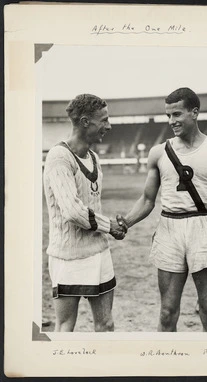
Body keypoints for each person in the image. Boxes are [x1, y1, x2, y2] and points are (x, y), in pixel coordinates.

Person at [117, 88, 207, 332]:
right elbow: (148, 199)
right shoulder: (158, 152)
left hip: (204, 228)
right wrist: (127, 222)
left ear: (194, 113)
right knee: (167, 312)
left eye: (177, 114)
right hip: (169, 229)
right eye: (168, 115)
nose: (171, 121)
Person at [43, 94, 127, 332]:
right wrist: (110, 226)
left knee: (106, 324)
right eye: (104, 120)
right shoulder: (59, 157)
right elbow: (72, 211)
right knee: (66, 327)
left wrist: (110, 227)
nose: (108, 126)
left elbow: (92, 205)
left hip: (99, 253)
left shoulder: (94, 157)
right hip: (69, 256)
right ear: (84, 122)